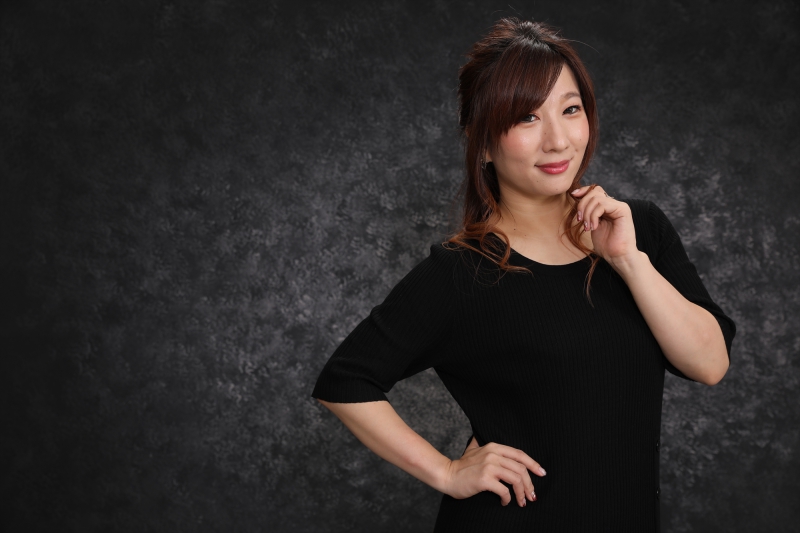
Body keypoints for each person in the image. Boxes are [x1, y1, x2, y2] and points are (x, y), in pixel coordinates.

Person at [311, 17, 735, 532]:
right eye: (526, 117)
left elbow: (710, 364)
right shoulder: (463, 271)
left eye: (571, 109)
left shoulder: (638, 228)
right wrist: (447, 472)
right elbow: (345, 381)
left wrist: (628, 261)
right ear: (484, 143)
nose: (558, 140)